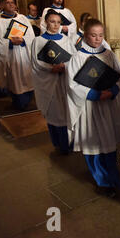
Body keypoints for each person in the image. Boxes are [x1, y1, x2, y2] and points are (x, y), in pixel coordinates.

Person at [65, 18, 120, 198]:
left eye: (100, 35)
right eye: (93, 35)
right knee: (93, 144)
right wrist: (95, 94)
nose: (97, 39)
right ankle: (102, 181)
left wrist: (114, 90)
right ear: (85, 35)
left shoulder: (109, 55)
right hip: (89, 108)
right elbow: (72, 85)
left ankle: (113, 176)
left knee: (109, 144)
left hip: (107, 107)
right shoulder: (77, 58)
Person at [31, 9, 77, 155]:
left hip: (64, 81)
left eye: (58, 22)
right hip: (48, 82)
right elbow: (35, 62)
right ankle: (58, 142)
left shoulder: (66, 40)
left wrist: (64, 66)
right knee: (53, 113)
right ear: (45, 22)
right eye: (52, 21)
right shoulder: (38, 41)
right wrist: (51, 68)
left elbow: (75, 60)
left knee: (66, 113)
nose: (56, 25)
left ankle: (68, 143)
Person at [0, 0, 35, 110]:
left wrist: (23, 40)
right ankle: (18, 103)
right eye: (7, 3)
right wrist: (9, 41)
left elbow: (31, 35)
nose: (11, 4)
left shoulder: (22, 18)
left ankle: (27, 102)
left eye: (12, 2)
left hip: (24, 52)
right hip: (10, 54)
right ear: (3, 5)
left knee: (28, 78)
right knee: (15, 80)